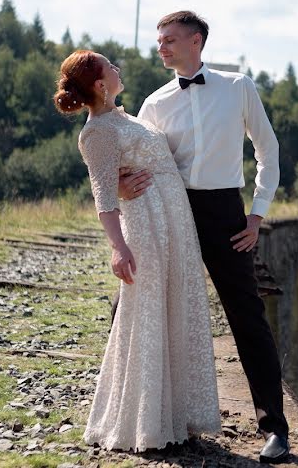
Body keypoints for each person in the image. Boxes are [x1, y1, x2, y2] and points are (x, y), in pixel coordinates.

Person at [118, 10, 291, 463]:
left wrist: (256, 215)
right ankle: (140, 412)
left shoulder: (239, 88)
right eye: (159, 41)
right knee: (140, 303)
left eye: (169, 40)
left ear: (196, 41)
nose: (161, 47)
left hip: (225, 213)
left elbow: (267, 150)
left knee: (248, 316)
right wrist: (119, 186)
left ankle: (274, 427)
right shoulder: (154, 103)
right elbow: (131, 161)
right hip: (169, 208)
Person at [53, 50, 220, 452]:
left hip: (174, 225)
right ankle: (144, 421)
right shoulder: (96, 132)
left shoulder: (124, 119)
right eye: (111, 67)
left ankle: (173, 415)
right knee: (146, 316)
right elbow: (104, 199)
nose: (118, 69)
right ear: (99, 84)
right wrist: (118, 247)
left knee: (175, 310)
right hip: (146, 226)